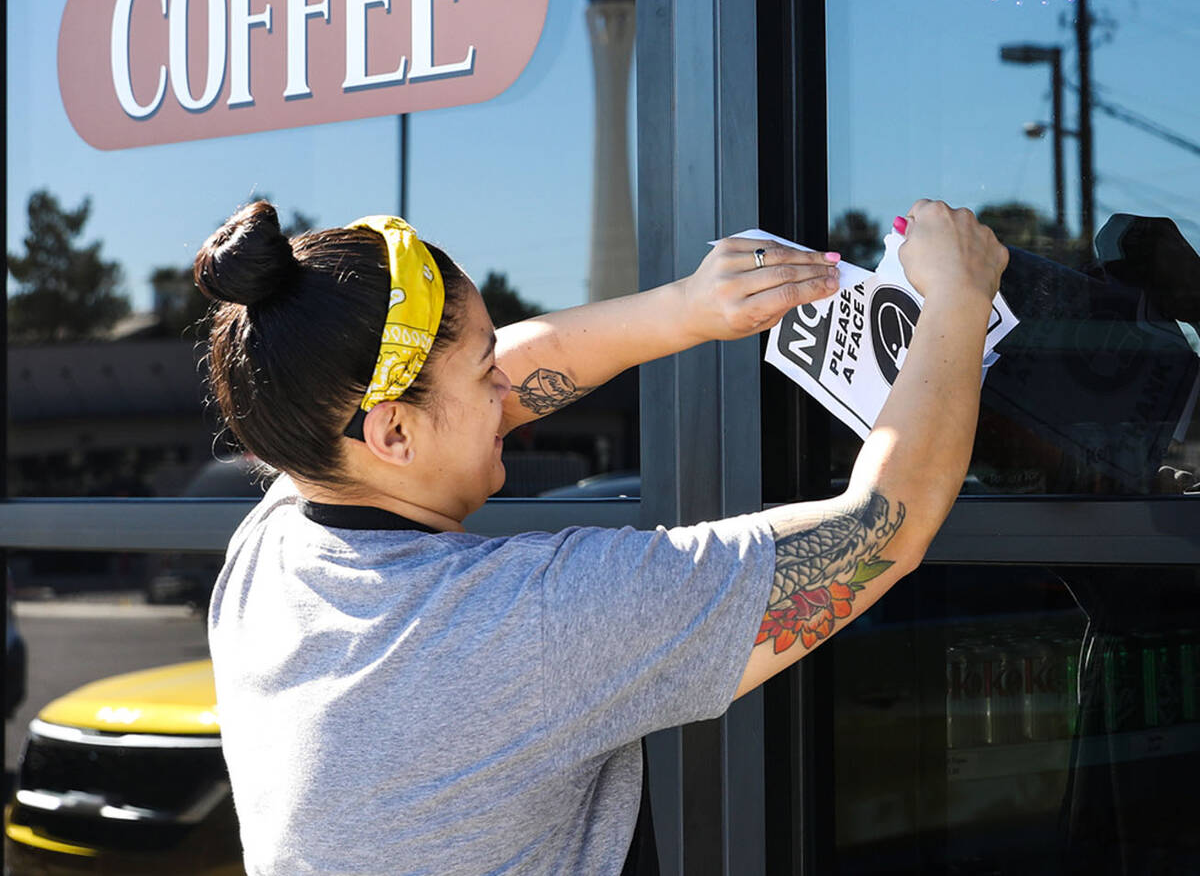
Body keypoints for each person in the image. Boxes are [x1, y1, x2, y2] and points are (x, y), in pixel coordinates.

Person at [200, 198, 1007, 876]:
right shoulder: (530, 622)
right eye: (486, 372)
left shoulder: (271, 545)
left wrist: (687, 308)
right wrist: (960, 298)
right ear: (392, 435)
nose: (506, 391)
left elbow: (481, 383)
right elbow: (878, 528)